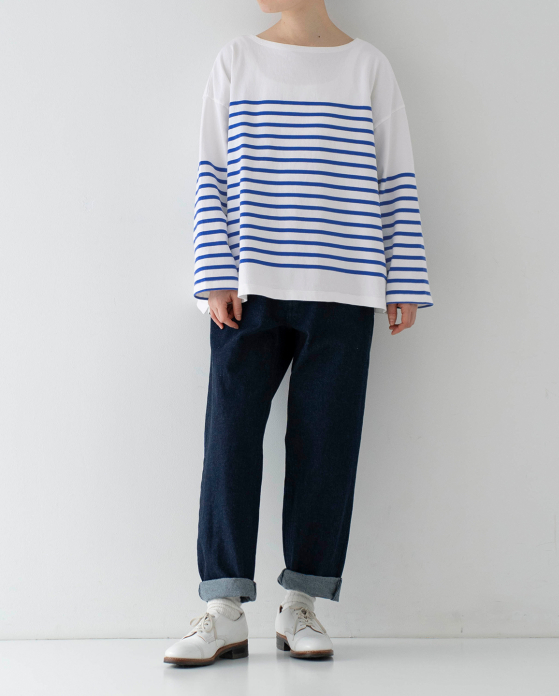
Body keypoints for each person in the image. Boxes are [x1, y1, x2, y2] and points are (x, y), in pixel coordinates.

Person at [164, 0, 433, 666]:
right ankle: (223, 608)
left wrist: (403, 277)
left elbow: (395, 176)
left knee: (326, 445)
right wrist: (214, 273)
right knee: (229, 439)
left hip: (345, 288)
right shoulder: (237, 60)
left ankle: (302, 603)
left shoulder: (367, 67)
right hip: (249, 290)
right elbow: (210, 171)